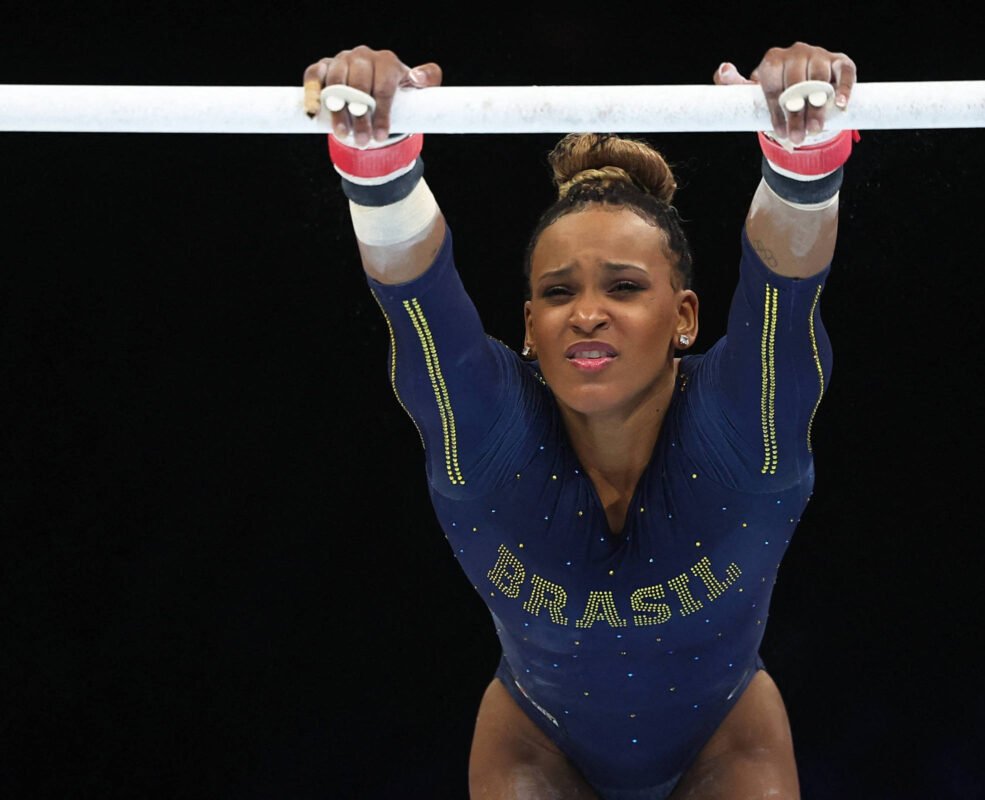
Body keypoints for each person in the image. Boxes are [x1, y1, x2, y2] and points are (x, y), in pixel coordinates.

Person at [303, 40, 857, 800]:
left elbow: (785, 285)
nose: (587, 314)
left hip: (724, 738)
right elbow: (417, 299)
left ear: (685, 316)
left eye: (625, 287)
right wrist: (379, 159)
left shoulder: (744, 428)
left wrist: (805, 155)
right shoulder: (488, 434)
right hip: (537, 741)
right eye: (558, 293)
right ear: (528, 328)